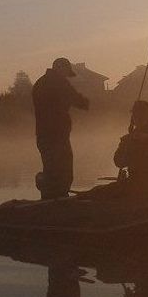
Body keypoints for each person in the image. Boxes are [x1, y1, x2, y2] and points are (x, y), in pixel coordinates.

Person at [32, 57, 90, 200]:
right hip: (57, 136)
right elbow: (79, 102)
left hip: (43, 136)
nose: (66, 77)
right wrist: (86, 101)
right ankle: (59, 203)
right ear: (60, 69)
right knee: (63, 173)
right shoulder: (59, 82)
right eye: (66, 73)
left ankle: (48, 198)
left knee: (51, 171)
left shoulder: (39, 83)